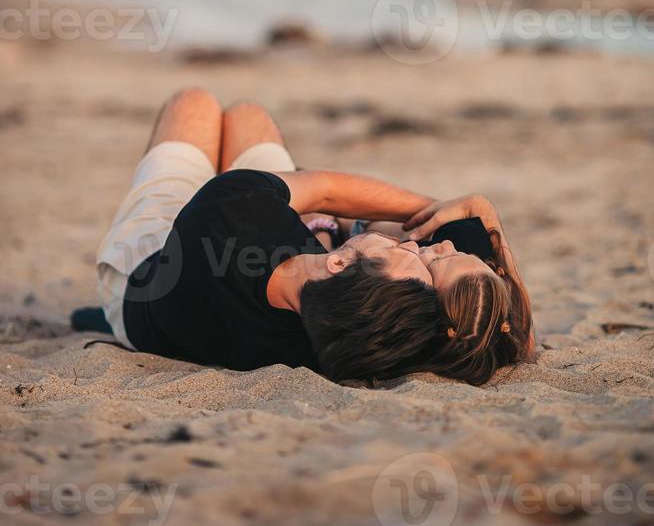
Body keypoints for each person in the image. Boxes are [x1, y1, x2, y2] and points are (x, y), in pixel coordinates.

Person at [92, 87, 533, 384]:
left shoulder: (231, 214)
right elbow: (517, 338)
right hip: (248, 262)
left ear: (339, 261)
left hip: (147, 281)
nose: (422, 245)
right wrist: (482, 221)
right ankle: (330, 229)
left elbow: (325, 188)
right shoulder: (398, 333)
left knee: (201, 105)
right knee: (251, 122)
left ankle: (328, 227)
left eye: (414, 256)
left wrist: (481, 212)